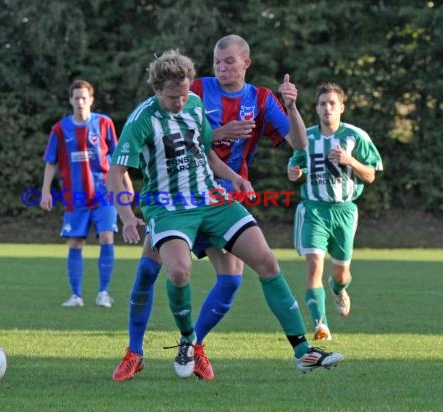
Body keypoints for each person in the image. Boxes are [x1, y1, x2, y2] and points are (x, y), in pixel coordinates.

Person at [107, 49, 343, 381]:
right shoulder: (142, 119)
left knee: (266, 261)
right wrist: (127, 216)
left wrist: (235, 178)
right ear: (156, 89)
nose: (180, 102)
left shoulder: (194, 104)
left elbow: (204, 153)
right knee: (177, 272)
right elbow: (115, 173)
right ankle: (179, 342)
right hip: (169, 206)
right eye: (173, 97)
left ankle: (303, 353)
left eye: (185, 94)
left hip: (212, 199)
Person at [288, 82, 383, 341]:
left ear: (341, 107)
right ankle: (321, 325)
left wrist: (349, 160)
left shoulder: (356, 136)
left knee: (341, 273)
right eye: (322, 104)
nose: (327, 108)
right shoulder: (305, 137)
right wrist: (294, 173)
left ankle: (338, 288)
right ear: (316, 109)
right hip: (313, 211)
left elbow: (371, 175)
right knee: (314, 265)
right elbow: (295, 168)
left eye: (332, 103)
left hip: (344, 211)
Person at [40, 79, 132, 308]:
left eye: (84, 97)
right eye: (76, 97)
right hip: (75, 196)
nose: (80, 102)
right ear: (70, 100)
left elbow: (117, 158)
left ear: (91, 100)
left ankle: (103, 293)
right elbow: (51, 162)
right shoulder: (60, 129)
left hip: (105, 193)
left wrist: (127, 186)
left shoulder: (104, 123)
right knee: (75, 243)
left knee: (107, 237)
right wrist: (45, 192)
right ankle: (76, 296)